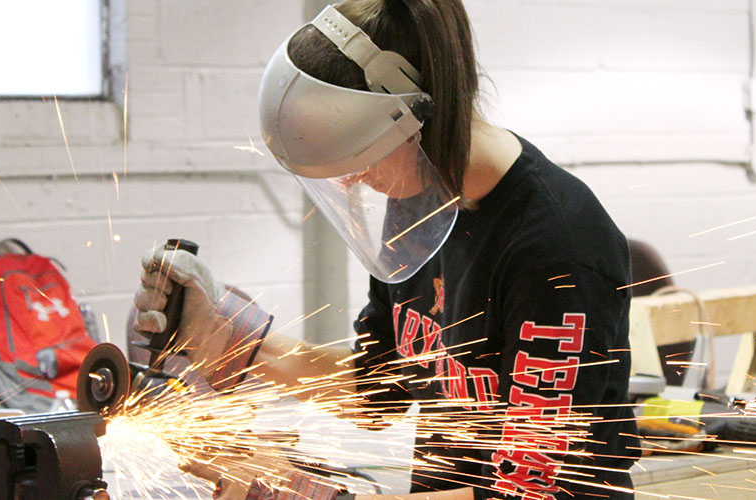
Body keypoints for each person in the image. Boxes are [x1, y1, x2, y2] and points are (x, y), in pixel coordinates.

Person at [134, 1, 641, 499]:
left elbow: (527, 486)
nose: (353, 178)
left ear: (416, 119)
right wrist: (230, 340)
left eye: (363, 154)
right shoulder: (421, 198)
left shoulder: (557, 251)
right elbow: (377, 389)